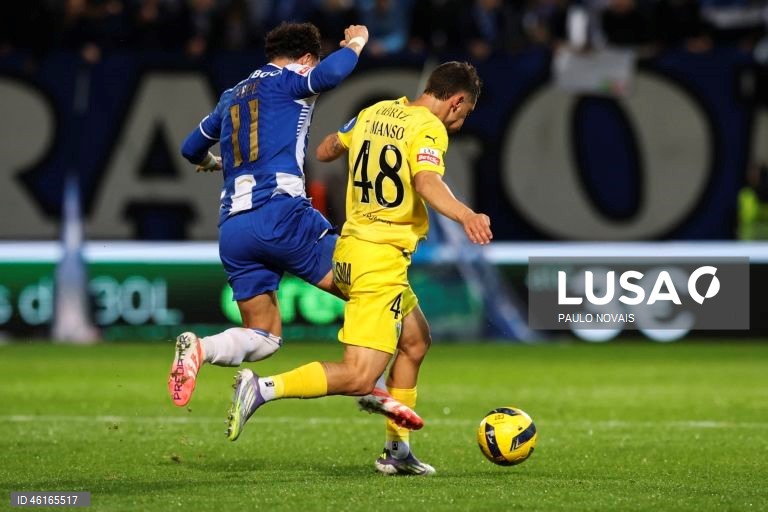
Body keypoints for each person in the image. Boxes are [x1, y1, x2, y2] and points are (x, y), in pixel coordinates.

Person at [225, 61, 492, 476]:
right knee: (358, 377)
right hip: (378, 262)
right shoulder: (429, 127)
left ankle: (397, 451)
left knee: (416, 341)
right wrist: (465, 214)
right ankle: (261, 389)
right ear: (456, 101)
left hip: (348, 249)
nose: (461, 122)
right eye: (466, 113)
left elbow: (326, 148)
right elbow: (426, 182)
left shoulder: (376, 111)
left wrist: (348, 148)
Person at [168, 21, 420, 431]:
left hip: (234, 228)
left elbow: (189, 148)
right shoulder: (292, 78)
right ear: (305, 59)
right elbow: (333, 74)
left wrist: (217, 163)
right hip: (282, 214)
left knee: (264, 336)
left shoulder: (232, 95)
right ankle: (366, 381)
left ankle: (200, 347)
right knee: (368, 284)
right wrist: (356, 43)